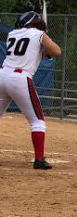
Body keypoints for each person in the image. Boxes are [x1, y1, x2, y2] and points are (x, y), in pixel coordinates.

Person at [0, 11, 62, 169]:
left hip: (3, 75)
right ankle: (39, 160)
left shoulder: (13, 34)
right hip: (20, 78)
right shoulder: (39, 34)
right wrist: (47, 39)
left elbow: (41, 53)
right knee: (37, 121)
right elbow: (56, 52)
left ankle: (39, 159)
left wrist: (44, 43)